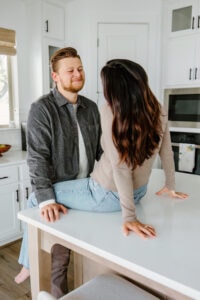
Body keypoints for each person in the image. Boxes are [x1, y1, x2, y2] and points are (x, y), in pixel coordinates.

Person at [16, 58, 189, 296]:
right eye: (72, 70)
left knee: (37, 198)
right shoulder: (157, 109)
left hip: (102, 192)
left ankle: (27, 264)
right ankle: (37, 269)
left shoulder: (109, 110)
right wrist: (170, 184)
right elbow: (166, 150)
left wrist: (129, 217)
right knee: (49, 203)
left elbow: (119, 168)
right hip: (138, 192)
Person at [14, 47, 102, 298]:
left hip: (85, 191)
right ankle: (55, 294)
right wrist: (48, 199)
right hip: (59, 194)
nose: (78, 74)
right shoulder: (42, 109)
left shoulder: (91, 107)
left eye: (80, 69)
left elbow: (100, 151)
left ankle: (28, 264)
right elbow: (37, 157)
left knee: (86, 253)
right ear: (55, 76)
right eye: (71, 70)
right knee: (59, 258)